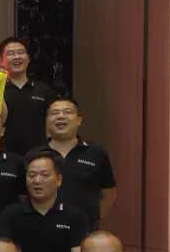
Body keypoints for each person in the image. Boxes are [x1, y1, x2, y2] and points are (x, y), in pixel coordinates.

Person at [0, 150, 88, 252]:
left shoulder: (74, 216)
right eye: (31, 175)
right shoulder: (11, 214)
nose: (37, 180)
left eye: (44, 175)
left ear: (58, 180)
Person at [38, 95, 116, 229]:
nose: (61, 116)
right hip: (43, 230)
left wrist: (95, 219)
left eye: (67, 112)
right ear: (46, 121)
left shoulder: (96, 153)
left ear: (79, 120)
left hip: (84, 232)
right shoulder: (35, 154)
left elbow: (109, 193)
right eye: (54, 113)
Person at [0, 37, 53, 155]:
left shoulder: (43, 89)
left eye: (21, 52)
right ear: (1, 61)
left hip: (39, 156)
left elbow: (51, 125)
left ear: (28, 59)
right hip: (5, 156)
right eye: (10, 54)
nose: (17, 57)